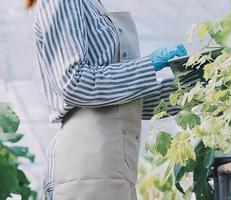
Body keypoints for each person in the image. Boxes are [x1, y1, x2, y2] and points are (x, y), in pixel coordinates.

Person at [27, 0, 196, 199]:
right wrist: (148, 65)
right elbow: (74, 83)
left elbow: (125, 98)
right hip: (88, 163)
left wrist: (195, 88)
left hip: (114, 167)